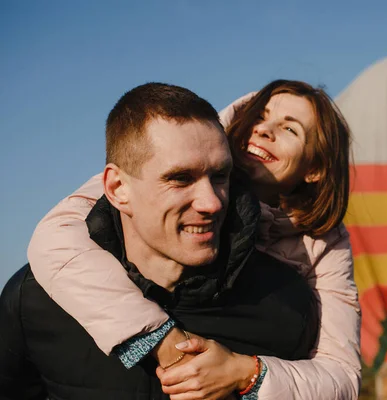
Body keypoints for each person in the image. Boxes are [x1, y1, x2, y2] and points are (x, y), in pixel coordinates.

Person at [25, 80, 361, 399]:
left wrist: (246, 372)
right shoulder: (173, 150)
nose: (263, 130)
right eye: (259, 116)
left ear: (315, 168)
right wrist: (160, 340)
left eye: (289, 129)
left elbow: (341, 375)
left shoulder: (324, 246)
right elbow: (56, 237)